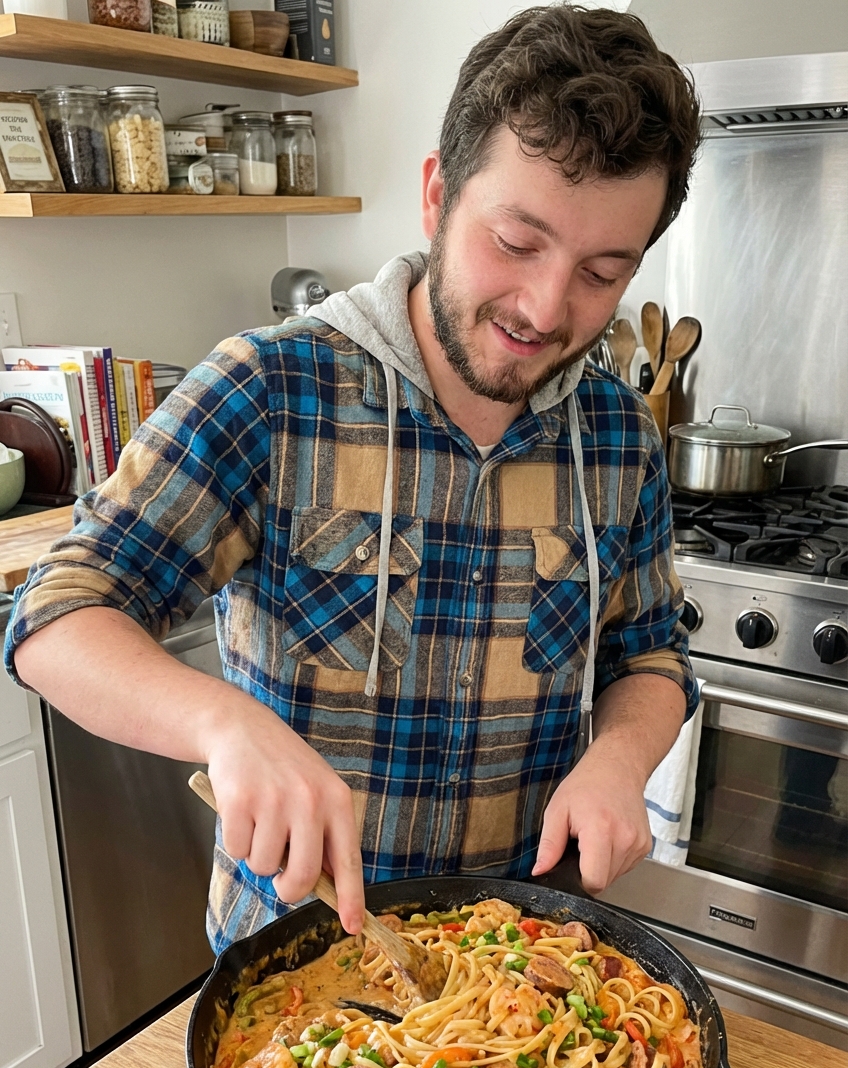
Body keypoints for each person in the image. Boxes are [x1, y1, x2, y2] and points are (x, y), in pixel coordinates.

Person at [5, 4, 701, 952]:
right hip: (296, 961)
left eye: (602, 271)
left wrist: (622, 760)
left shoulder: (620, 437)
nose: (546, 307)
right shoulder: (271, 391)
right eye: (517, 242)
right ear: (436, 196)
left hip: (521, 965)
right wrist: (225, 726)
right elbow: (56, 614)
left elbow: (650, 655)